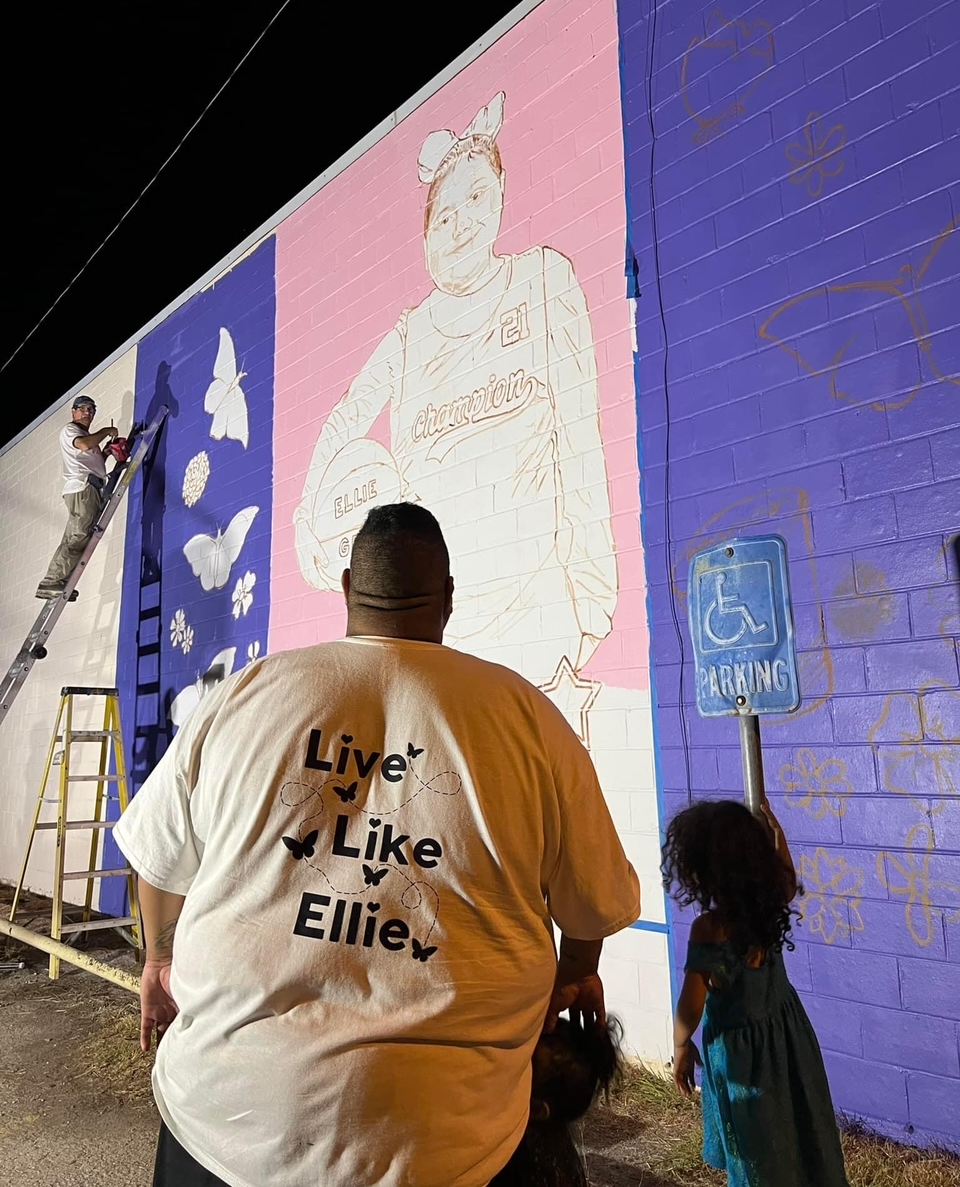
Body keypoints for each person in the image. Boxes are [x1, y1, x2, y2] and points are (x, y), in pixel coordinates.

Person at [113, 502, 641, 1187]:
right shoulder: (527, 719)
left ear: (344, 589)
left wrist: (159, 959)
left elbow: (155, 858)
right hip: (450, 1140)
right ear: (449, 595)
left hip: (228, 1126)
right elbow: (593, 907)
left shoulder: (245, 694)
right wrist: (569, 974)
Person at [294, 91, 617, 687]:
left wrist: (591, 600)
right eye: (444, 214)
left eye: (476, 198)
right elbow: (345, 419)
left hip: (539, 624)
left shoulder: (543, 281)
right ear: (425, 239)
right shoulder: (410, 336)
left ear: (499, 200)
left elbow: (580, 439)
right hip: (439, 633)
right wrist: (307, 518)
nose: (461, 223)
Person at [661, 799, 849, 1187]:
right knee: (799, 1124)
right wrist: (778, 837)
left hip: (741, 1057)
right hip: (788, 1038)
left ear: (702, 871)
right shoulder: (770, 906)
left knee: (756, 1148)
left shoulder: (710, 930)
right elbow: (786, 877)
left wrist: (681, 1046)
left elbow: (690, 1006)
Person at [490, 1013, 623, 1187]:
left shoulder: (516, 1161)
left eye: (522, 1064)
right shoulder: (541, 1143)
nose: (506, 1057)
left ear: (536, 1109)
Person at [35, 395, 119, 599]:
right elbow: (82, 445)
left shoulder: (86, 435)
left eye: (91, 409)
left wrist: (106, 452)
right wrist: (106, 431)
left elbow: (91, 460)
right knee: (78, 536)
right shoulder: (72, 430)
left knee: (76, 536)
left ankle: (58, 581)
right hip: (83, 488)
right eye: (82, 408)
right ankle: (51, 582)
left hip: (88, 488)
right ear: (73, 412)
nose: (87, 412)